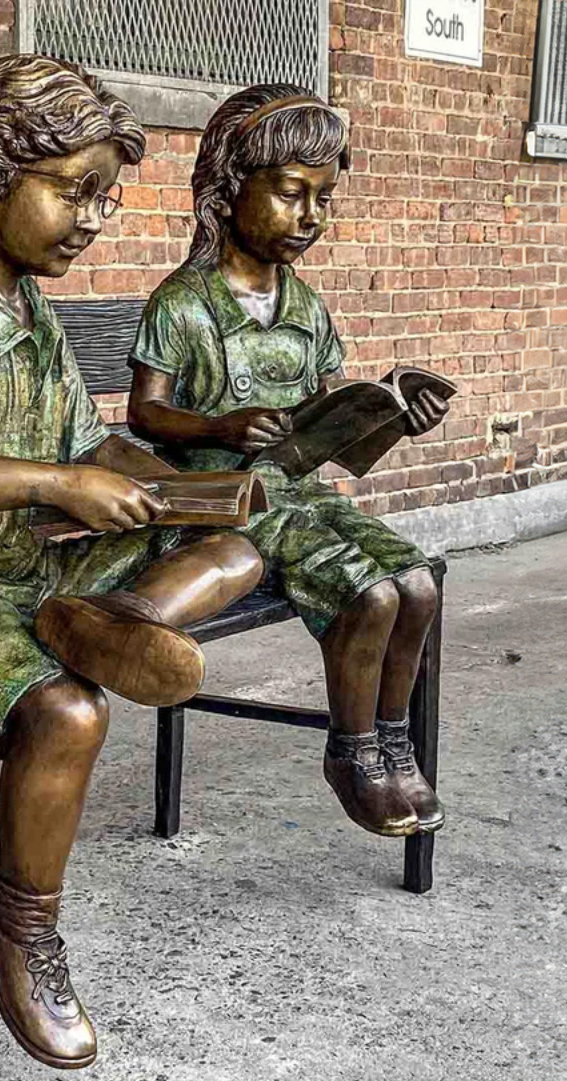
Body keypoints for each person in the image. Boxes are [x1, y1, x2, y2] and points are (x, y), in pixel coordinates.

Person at [0, 55, 264, 1070]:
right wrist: (62, 487)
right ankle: (19, 929)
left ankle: (127, 619)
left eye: (103, 201)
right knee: (69, 710)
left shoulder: (34, 313)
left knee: (237, 543)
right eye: (71, 192)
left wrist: (178, 488)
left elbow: (91, 447)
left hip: (22, 567)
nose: (91, 219)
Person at [128, 83, 450, 843]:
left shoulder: (306, 308)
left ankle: (393, 738)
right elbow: (145, 413)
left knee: (418, 583)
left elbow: (328, 419)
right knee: (369, 597)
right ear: (231, 188)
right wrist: (219, 422)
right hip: (227, 504)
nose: (311, 216)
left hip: (300, 494)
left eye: (324, 198)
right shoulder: (184, 302)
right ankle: (352, 752)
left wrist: (396, 416)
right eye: (291, 194)